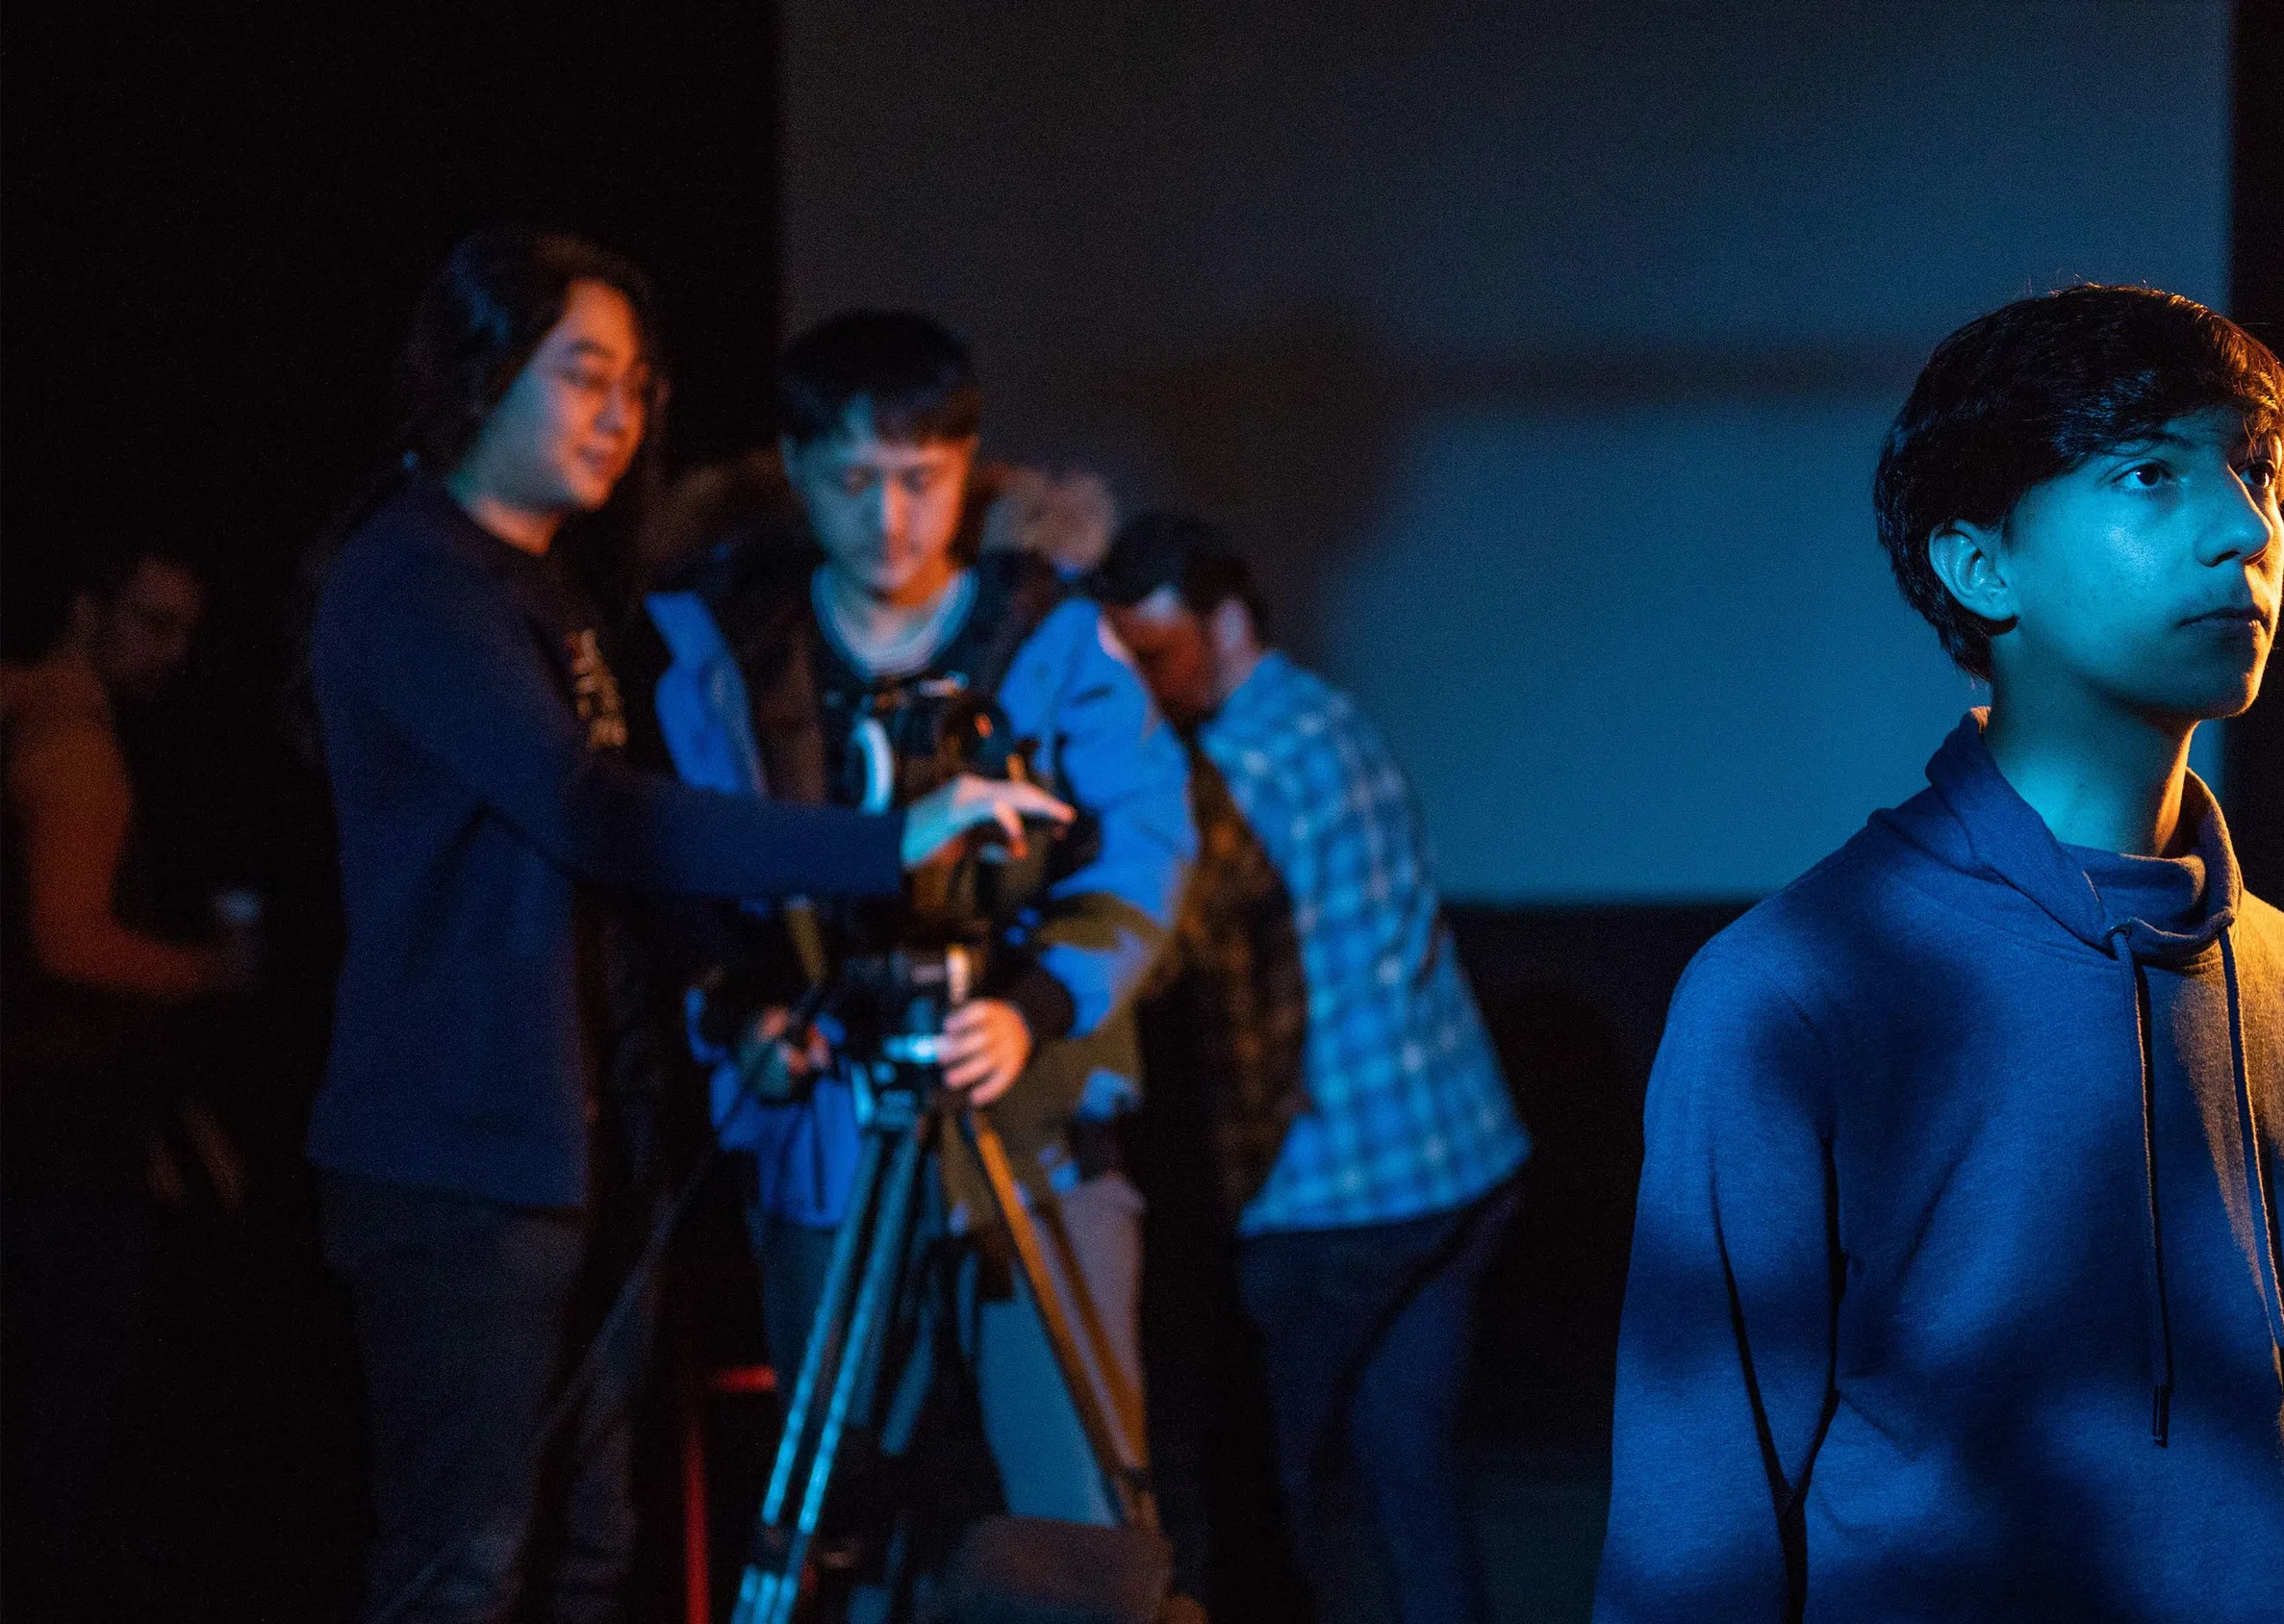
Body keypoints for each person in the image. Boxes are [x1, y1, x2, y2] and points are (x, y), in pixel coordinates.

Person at [1592, 284, 2284, 1623]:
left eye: (2255, 474)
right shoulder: (1791, 994)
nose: (2242, 529)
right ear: (1982, 564)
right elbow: (1695, 1531)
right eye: (2151, 472)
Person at [303, 231, 1063, 1624]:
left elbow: (613, 874)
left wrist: (729, 994)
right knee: (458, 1569)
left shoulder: (546, 587)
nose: (620, 413)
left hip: (594, 1149)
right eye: (584, 375)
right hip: (463, 1166)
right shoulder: (413, 578)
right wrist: (892, 837)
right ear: (480, 372)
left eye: (638, 385)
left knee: (596, 1547)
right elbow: (590, 814)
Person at [658, 310, 1191, 1600]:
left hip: (1040, 1131)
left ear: (968, 467)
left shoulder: (1052, 638)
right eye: (852, 481)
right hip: (826, 1139)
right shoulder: (722, 652)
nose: (889, 518)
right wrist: (741, 1020)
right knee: (844, 1512)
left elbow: (1146, 851)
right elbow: (680, 878)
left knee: (1074, 1519)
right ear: (794, 469)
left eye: (921, 480)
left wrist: (1039, 1004)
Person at [1092, 515, 1530, 1624]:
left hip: (1341, 1191)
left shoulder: (1236, 769)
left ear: (1226, 622)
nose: (1140, 685)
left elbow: (1163, 944)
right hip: (1460, 1155)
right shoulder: (1327, 714)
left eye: (1154, 654)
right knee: (1408, 1470)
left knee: (1255, 1491)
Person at [1, 545, 244, 1620]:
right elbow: (65, 940)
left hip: (53, 1127)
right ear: (86, 605)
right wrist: (212, 972)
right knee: (56, 1441)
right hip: (55, 1147)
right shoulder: (74, 743)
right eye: (150, 622)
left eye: (185, 631)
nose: (170, 654)